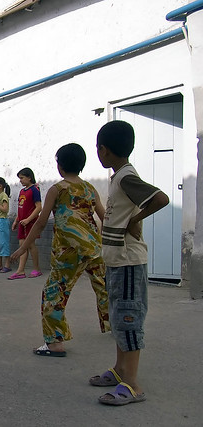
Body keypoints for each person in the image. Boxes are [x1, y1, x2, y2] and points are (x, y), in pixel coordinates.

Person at [90, 121, 169, 406]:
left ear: (104, 150)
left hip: (128, 263)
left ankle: (132, 384)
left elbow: (160, 198)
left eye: (98, 149)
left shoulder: (125, 177)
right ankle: (120, 369)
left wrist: (133, 222)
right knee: (119, 318)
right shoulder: (118, 176)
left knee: (128, 319)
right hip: (117, 262)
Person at [10, 143, 110, 357]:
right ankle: (117, 326)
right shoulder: (89, 189)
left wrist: (22, 248)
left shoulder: (58, 189)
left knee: (54, 293)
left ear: (60, 166)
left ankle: (55, 343)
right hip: (93, 247)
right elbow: (104, 218)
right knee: (104, 288)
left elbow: (40, 223)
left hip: (69, 251)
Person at [9, 167, 42, 280]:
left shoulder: (35, 190)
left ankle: (37, 269)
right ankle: (20, 271)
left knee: (31, 245)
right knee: (22, 245)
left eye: (22, 178)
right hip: (22, 223)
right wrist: (16, 221)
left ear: (29, 177)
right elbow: (20, 208)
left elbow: (39, 207)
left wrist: (28, 219)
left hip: (31, 223)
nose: (20, 181)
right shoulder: (22, 191)